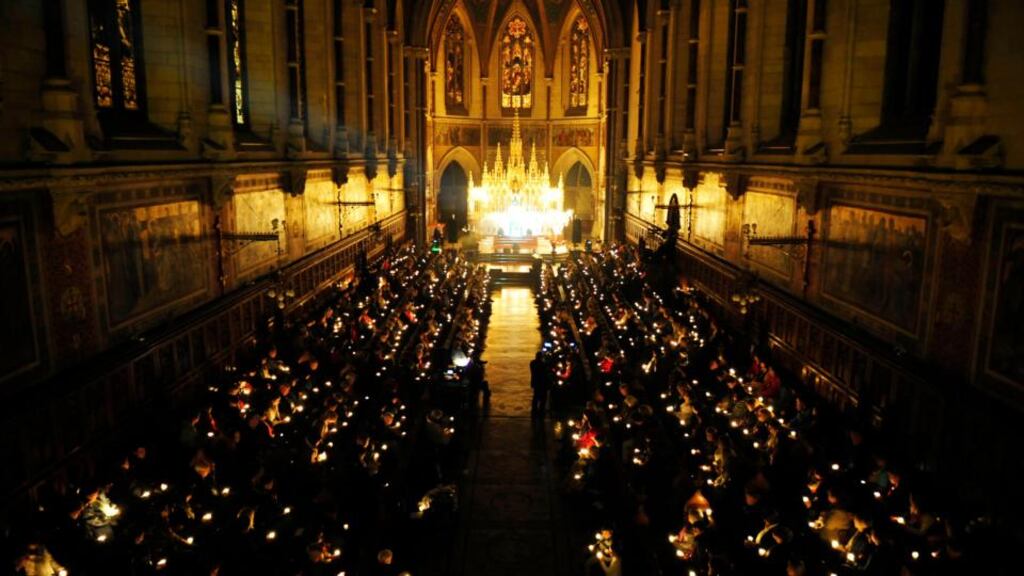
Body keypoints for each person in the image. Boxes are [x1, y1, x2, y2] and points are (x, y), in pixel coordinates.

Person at [530, 351, 549, 417]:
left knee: (536, 396)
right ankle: (540, 410)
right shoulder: (542, 364)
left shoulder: (532, 363)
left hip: (536, 382)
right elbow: (545, 373)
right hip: (542, 383)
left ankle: (535, 410)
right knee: (542, 397)